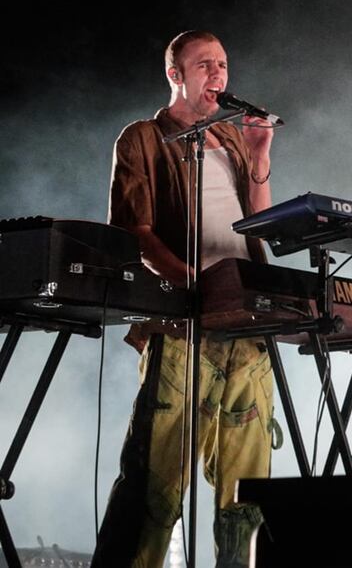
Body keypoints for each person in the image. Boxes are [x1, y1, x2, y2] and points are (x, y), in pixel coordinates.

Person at [93, 30, 277, 568]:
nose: (217, 74)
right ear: (176, 74)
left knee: (248, 497)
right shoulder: (144, 138)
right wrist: (195, 282)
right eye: (204, 65)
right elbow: (137, 234)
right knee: (156, 485)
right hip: (181, 326)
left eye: (223, 64)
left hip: (244, 325)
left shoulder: (236, 140)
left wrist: (261, 154)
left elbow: (259, 224)